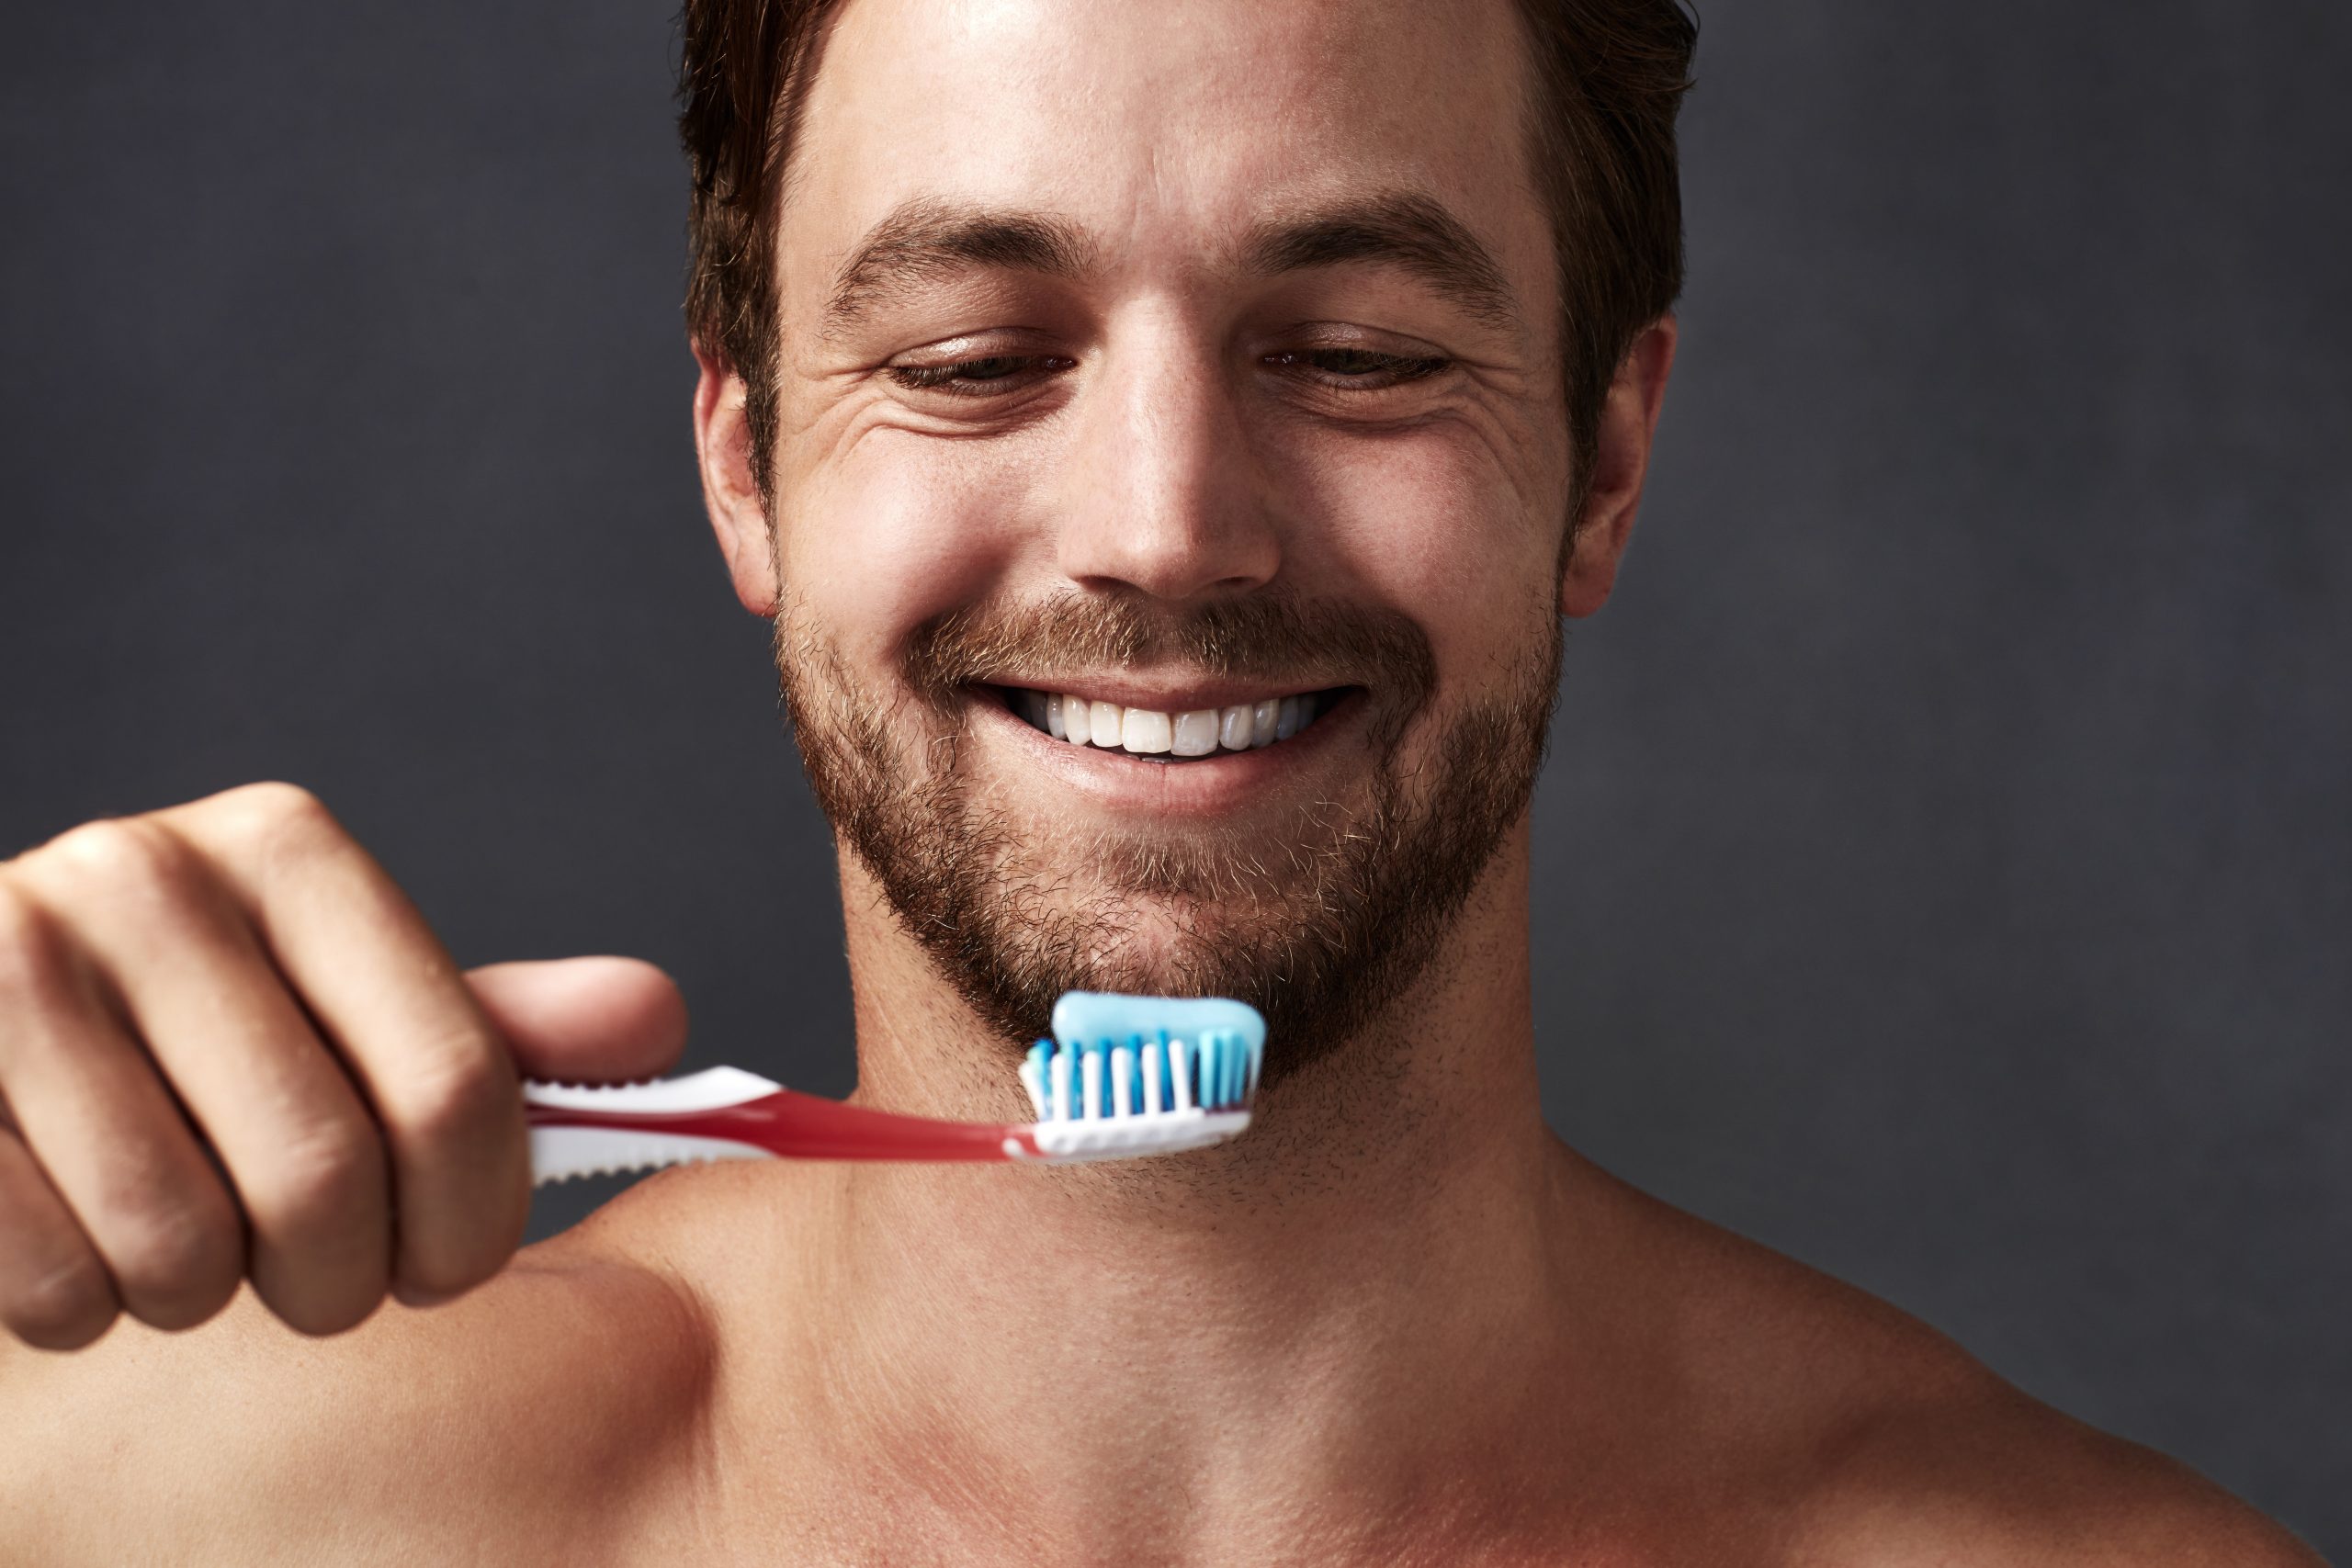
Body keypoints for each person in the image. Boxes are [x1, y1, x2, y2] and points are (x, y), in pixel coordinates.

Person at [0, 0, 2323, 1561]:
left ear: (1603, 463)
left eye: (1354, 352)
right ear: (747, 467)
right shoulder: (184, 1500)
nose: (1166, 523)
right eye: (976, 354)